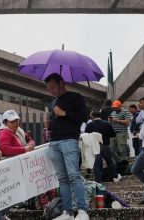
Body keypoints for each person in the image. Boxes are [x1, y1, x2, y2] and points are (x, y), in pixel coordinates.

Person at [44, 73, 89, 220]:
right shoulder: (54, 102)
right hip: (54, 142)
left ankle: (82, 210)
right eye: (48, 88)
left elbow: (84, 117)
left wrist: (64, 113)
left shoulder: (75, 96)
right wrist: (49, 122)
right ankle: (67, 212)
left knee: (74, 175)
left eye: (52, 87)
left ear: (61, 83)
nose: (51, 90)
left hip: (69, 140)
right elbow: (55, 122)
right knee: (62, 179)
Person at [85, 111, 120, 183]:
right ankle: (115, 177)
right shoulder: (107, 124)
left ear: (92, 116)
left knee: (96, 165)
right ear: (100, 116)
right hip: (105, 145)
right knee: (109, 162)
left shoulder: (89, 125)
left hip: (95, 147)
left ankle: (98, 180)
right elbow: (113, 135)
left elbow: (86, 136)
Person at [109, 100, 131, 166]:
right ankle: (120, 162)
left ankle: (124, 164)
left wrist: (118, 120)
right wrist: (110, 121)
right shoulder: (112, 112)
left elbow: (128, 122)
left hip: (122, 133)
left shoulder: (125, 112)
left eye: (116, 107)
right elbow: (110, 123)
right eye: (114, 107)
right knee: (110, 150)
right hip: (113, 133)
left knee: (122, 150)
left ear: (120, 106)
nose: (114, 108)